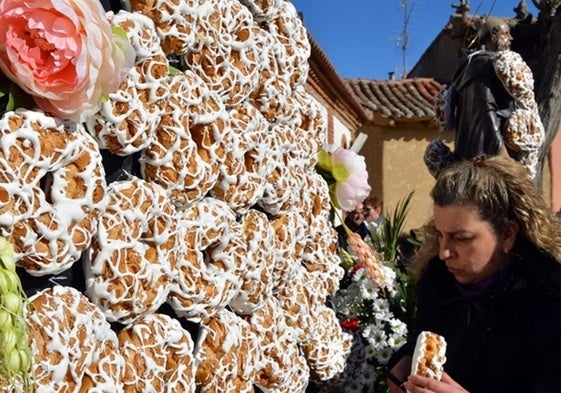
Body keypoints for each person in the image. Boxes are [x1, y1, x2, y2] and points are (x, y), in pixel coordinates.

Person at [387, 155, 561, 393]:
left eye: (462, 238)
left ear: (508, 234)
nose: (444, 253)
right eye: (439, 235)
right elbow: (427, 343)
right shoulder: (441, 288)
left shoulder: (548, 308)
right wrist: (405, 361)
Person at [425, 17, 544, 180]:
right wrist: (501, 153)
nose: (511, 38)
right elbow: (485, 110)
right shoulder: (484, 65)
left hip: (469, 155)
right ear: (493, 37)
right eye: (506, 33)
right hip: (490, 159)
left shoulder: (468, 67)